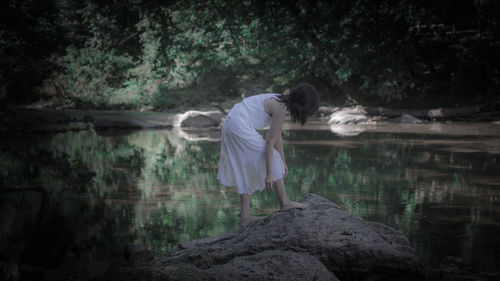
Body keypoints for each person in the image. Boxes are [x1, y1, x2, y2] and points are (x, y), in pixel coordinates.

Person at [217, 82, 320, 227]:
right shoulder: (281, 107)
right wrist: (270, 173)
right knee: (270, 159)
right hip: (238, 125)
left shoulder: (280, 100)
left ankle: (245, 217)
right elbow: (270, 142)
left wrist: (283, 161)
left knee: (248, 167)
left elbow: (277, 136)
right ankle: (284, 202)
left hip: (232, 122)